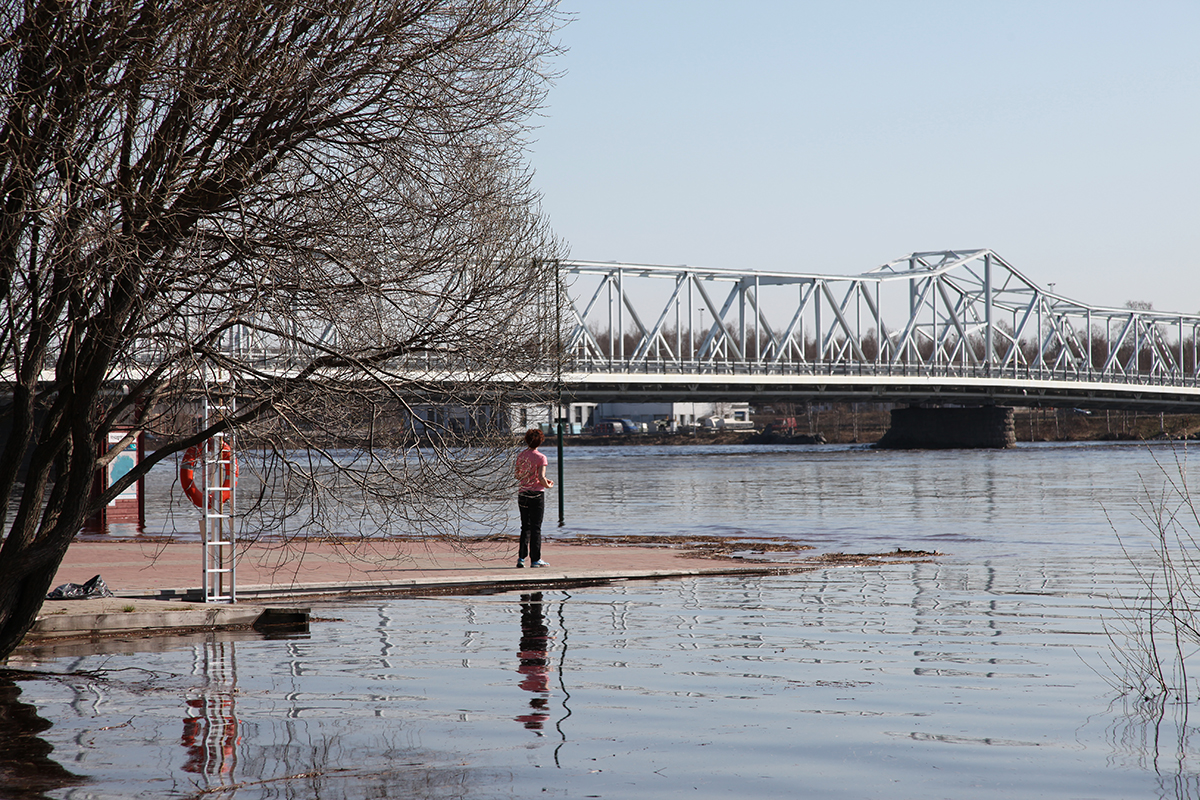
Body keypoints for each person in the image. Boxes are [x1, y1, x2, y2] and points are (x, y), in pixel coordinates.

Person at [515, 428, 554, 568]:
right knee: (536, 527)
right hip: (537, 494)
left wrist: (527, 478)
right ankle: (536, 559)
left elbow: (517, 475)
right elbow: (541, 478)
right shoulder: (541, 457)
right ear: (540, 441)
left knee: (525, 526)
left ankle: (521, 558)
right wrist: (548, 485)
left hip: (523, 492)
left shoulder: (521, 455)